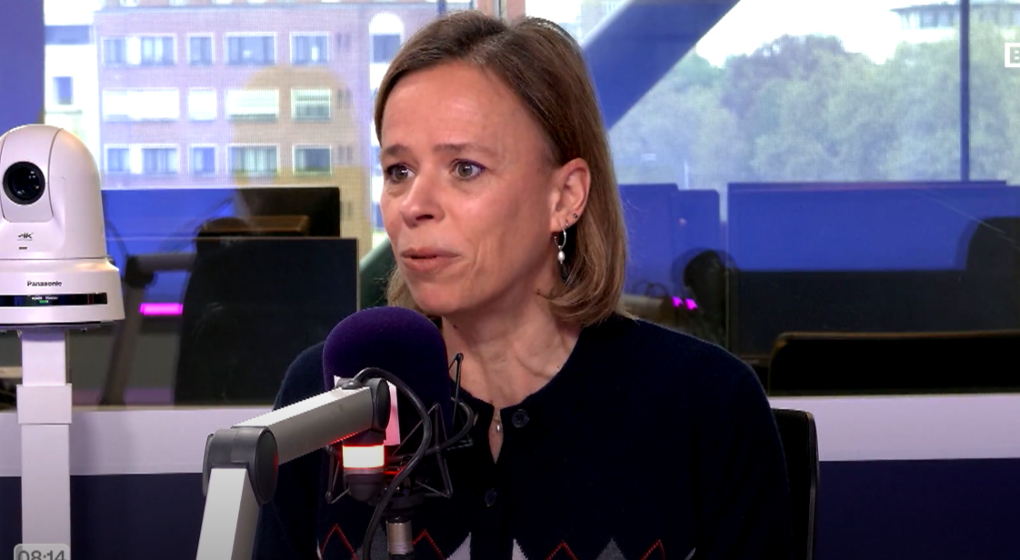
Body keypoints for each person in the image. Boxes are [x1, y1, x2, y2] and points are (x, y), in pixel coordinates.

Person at [253, 10, 791, 560]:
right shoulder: (326, 401)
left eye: (465, 168)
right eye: (399, 171)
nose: (414, 205)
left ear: (565, 197)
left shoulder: (706, 406)